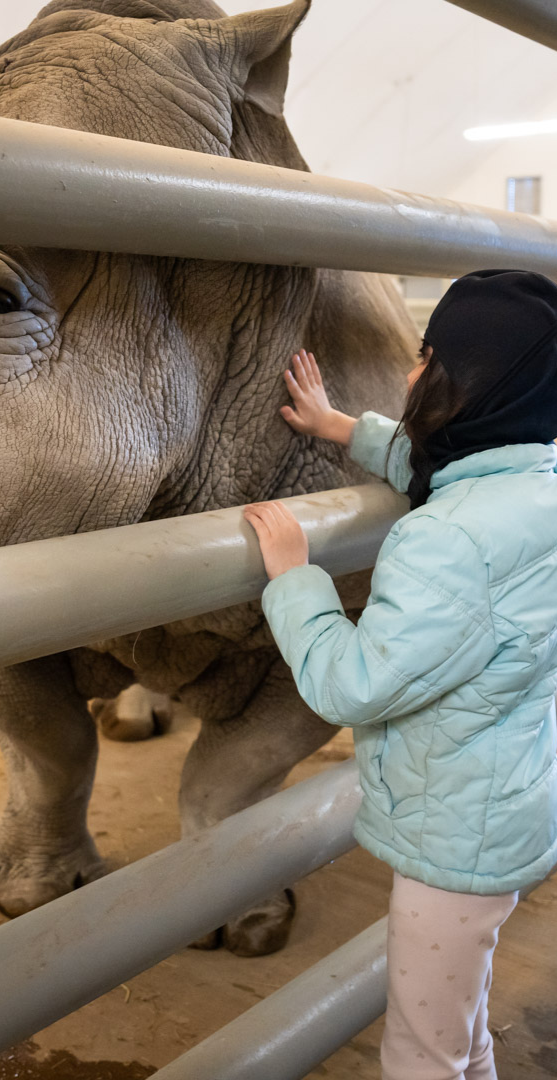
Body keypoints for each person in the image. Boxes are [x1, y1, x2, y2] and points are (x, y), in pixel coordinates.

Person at [242, 269, 557, 1080]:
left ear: (466, 388)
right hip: (508, 809)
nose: (411, 372)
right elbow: (452, 466)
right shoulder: (535, 484)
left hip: (453, 845)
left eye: (427, 358)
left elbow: (350, 683)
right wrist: (343, 427)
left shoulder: (444, 542)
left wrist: (294, 579)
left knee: (422, 1053)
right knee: (459, 1028)